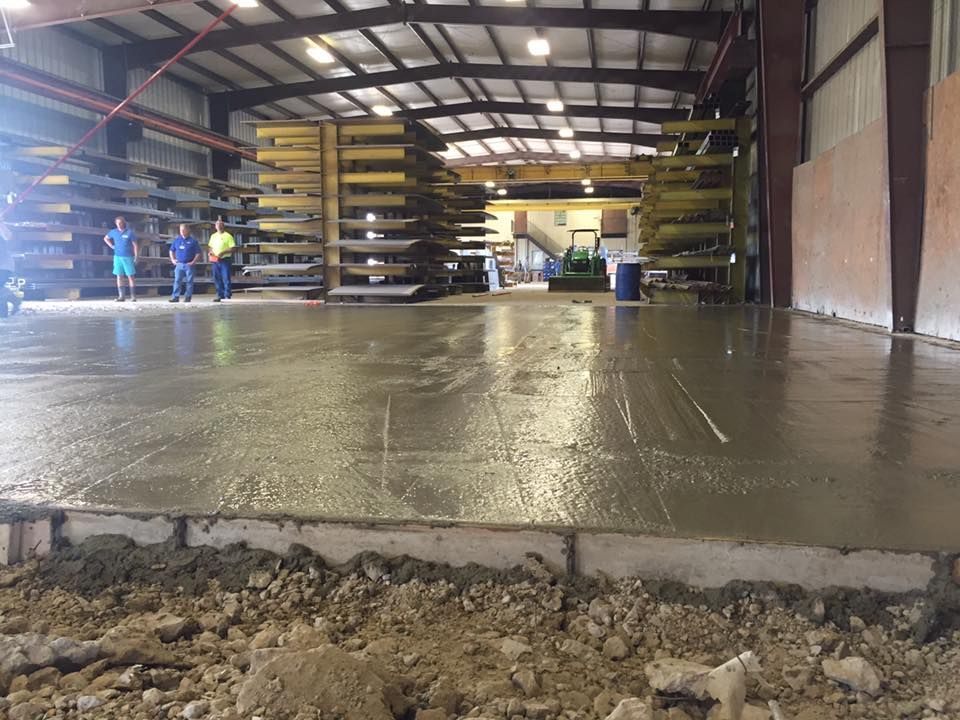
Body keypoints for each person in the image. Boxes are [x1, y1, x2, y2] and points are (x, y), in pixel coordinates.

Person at [104, 216, 138, 302]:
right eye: (117, 223)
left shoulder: (130, 232)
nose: (119, 224)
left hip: (128, 257)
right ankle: (121, 296)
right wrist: (112, 246)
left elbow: (135, 245)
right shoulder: (113, 232)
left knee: (130, 276)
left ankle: (133, 296)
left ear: (124, 223)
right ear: (116, 223)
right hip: (117, 257)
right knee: (119, 276)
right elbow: (106, 238)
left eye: (121, 223)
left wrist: (136, 256)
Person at [169, 223, 201, 303]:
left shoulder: (193, 241)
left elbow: (198, 253)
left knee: (189, 281)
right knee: (177, 281)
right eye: (180, 230)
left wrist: (193, 261)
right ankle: (175, 297)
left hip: (189, 264)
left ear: (188, 230)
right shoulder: (177, 240)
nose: (182, 231)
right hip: (179, 264)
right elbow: (171, 250)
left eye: (183, 230)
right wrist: (173, 259)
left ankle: (188, 297)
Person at [208, 218, 236, 303]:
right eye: (217, 225)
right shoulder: (213, 236)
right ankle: (220, 294)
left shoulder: (228, 236)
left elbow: (233, 248)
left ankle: (227, 295)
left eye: (220, 225)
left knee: (226, 278)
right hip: (215, 260)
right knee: (217, 278)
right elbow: (210, 247)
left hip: (225, 260)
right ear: (215, 226)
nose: (219, 226)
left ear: (223, 226)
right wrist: (211, 252)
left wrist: (223, 252)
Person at [0, 220, 18, 319]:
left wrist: (1, 224)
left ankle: (12, 297)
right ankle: (12, 297)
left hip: (3, 267)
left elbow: (9, 237)